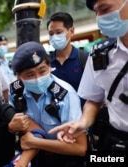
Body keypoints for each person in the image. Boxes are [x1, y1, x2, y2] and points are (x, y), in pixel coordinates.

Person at [49, 0, 128, 152]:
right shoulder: (99, 55)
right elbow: (93, 98)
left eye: (104, 9)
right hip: (116, 144)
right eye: (96, 12)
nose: (100, 18)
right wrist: (83, 122)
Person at [10, 41, 87, 167]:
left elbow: (80, 148)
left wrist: (35, 143)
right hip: (35, 158)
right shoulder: (15, 92)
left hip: (63, 159)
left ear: (50, 67)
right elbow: (19, 123)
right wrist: (12, 127)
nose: (37, 78)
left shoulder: (65, 94)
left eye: (42, 71)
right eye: (30, 74)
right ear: (19, 76)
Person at [47, 12, 88, 108]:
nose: (54, 37)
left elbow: (96, 93)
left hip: (83, 117)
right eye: (51, 34)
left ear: (71, 31)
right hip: (57, 119)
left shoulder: (84, 58)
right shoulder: (46, 63)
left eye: (58, 32)